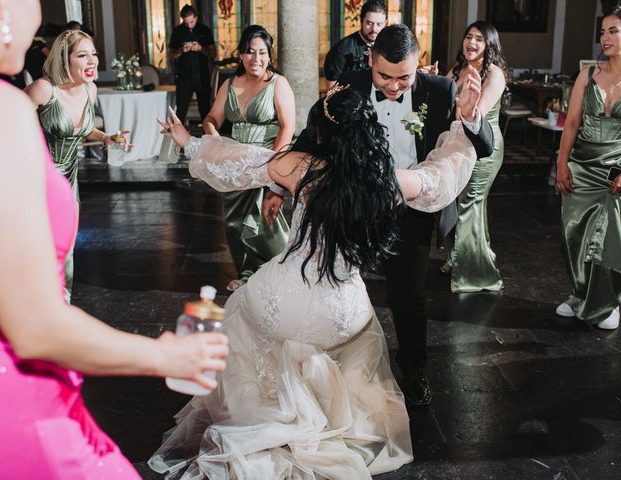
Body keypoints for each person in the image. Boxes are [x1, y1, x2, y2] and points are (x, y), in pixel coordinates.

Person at [150, 73, 481, 478]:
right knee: (356, 334)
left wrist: (188, 141)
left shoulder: (300, 168)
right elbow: (441, 177)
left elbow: (237, 162)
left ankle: (272, 410)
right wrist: (463, 124)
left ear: (321, 132)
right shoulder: (388, 182)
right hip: (342, 313)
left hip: (287, 299)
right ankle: (320, 414)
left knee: (242, 306)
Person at [0, 1, 228, 478]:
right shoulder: (0, 108)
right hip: (10, 393)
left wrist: (106, 139)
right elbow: (34, 328)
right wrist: (164, 354)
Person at [274, 24, 493, 406]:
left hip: (411, 208)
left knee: (408, 295)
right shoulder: (348, 84)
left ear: (418, 64)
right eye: (385, 77)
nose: (393, 86)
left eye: (404, 77)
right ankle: (336, 370)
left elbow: (483, 146)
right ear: (371, 60)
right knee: (336, 285)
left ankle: (415, 370)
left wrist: (473, 118)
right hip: (356, 206)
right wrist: (280, 185)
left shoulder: (441, 91)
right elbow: (313, 138)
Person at [26, 29, 128, 300]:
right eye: (82, 55)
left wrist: (106, 137)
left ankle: (61, 303)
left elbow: (79, 130)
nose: (92, 61)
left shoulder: (89, 90)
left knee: (66, 246)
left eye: (93, 54)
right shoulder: (44, 89)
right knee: (40, 248)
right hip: (38, 181)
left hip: (69, 179)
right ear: (64, 59)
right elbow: (8, 119)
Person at [202, 25, 294, 292]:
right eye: (250, 52)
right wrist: (214, 137)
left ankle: (281, 270)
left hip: (266, 161)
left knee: (265, 219)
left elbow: (287, 127)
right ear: (241, 55)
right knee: (234, 221)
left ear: (269, 54)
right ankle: (246, 273)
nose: (257, 58)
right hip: (234, 163)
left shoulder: (278, 84)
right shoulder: (229, 84)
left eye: (262, 52)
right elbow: (211, 119)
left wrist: (273, 167)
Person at [554, 7, 621, 330]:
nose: (604, 38)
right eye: (603, 32)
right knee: (574, 232)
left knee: (608, 239)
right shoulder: (588, 74)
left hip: (615, 171)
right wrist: (561, 164)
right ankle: (580, 294)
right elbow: (571, 124)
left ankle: (606, 302)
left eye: (613, 31)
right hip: (581, 165)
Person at [442, 21, 506, 293]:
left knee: (470, 203)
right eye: (468, 37)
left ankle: (475, 274)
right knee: (457, 203)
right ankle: (461, 257)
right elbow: (439, 96)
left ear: (490, 45)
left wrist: (454, 107)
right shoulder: (457, 69)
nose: (472, 43)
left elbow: (475, 113)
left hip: (482, 149)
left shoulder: (494, 74)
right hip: (457, 144)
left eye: (479, 39)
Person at [323, 0, 387, 90]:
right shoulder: (341, 50)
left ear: (385, 23)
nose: (374, 29)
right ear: (361, 21)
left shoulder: (388, 48)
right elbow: (331, 88)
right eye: (369, 23)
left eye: (379, 24)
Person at [169, 4, 215, 125]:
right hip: (184, 77)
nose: (189, 25)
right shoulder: (177, 31)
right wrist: (181, 50)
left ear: (196, 17)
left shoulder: (205, 30)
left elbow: (213, 53)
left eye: (191, 22)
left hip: (202, 76)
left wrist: (201, 48)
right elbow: (172, 55)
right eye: (186, 23)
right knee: (181, 110)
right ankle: (178, 141)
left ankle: (209, 139)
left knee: (205, 110)